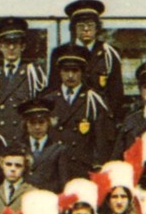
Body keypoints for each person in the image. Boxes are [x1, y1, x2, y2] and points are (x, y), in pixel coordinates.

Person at [48, 0, 126, 127]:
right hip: (68, 119)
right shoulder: (60, 53)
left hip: (99, 118)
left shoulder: (109, 53)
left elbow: (116, 92)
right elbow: (54, 87)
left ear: (97, 28)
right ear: (73, 28)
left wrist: (112, 120)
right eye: (80, 25)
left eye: (90, 25)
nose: (86, 29)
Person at [50, 44, 117, 182]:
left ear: (82, 72)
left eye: (75, 71)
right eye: (66, 70)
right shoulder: (48, 101)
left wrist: (98, 170)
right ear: (59, 72)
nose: (70, 75)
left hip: (82, 171)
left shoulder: (94, 100)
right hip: (53, 171)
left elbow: (102, 141)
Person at [0, 16, 48, 147]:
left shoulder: (32, 73)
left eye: (16, 43)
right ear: (0, 46)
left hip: (23, 140)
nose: (11, 48)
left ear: (22, 46)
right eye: (7, 44)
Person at [18, 98, 68, 194]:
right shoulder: (19, 147)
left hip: (48, 199)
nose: (37, 127)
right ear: (26, 124)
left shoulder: (58, 150)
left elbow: (63, 181)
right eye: (32, 122)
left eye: (41, 122)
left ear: (48, 123)